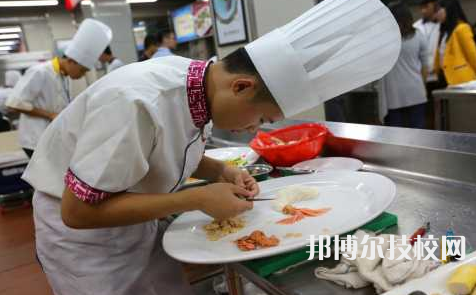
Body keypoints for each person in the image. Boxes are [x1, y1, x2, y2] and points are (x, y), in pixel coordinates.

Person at [21, 0, 400, 294]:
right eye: (262, 120)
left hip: (134, 217)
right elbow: (78, 211)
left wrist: (220, 171)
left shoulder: (193, 84)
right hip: (84, 240)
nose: (253, 129)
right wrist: (195, 199)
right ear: (241, 87)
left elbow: (164, 145)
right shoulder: (136, 101)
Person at [6, 19, 112, 158]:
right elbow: (14, 103)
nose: (82, 75)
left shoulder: (63, 75)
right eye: (82, 70)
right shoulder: (40, 72)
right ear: (71, 61)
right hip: (35, 140)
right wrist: (50, 115)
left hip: (51, 138)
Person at [378, 2, 429, 129]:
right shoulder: (419, 35)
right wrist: (422, 85)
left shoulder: (385, 39)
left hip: (393, 95)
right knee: (419, 133)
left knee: (396, 136)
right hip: (416, 91)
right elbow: (425, 66)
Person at [414, 0, 442, 128]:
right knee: (424, 113)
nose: (423, 10)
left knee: (440, 113)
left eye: (426, 7)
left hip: (439, 76)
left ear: (434, 5)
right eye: (421, 7)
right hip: (421, 77)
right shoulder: (415, 27)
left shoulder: (442, 25)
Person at [435, 0, 476, 85]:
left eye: (439, 10)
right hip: (446, 80)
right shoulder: (444, 32)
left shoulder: (461, 29)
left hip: (463, 82)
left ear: (449, 9)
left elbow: (473, 56)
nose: (437, 14)